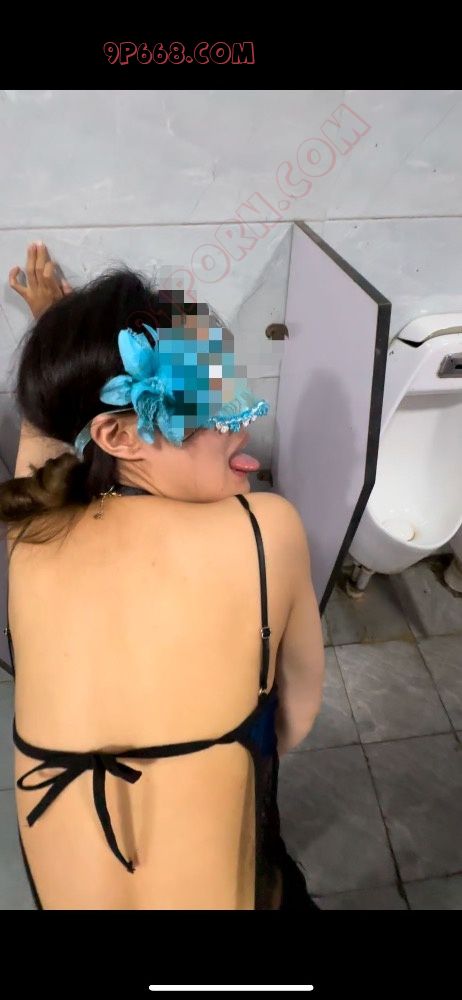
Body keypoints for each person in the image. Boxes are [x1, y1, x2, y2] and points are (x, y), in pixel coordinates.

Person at [1, 242, 325, 910]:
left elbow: (41, 437)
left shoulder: (29, 531)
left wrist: (56, 328)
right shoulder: (266, 530)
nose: (245, 424)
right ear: (118, 437)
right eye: (213, 407)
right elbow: (295, 718)